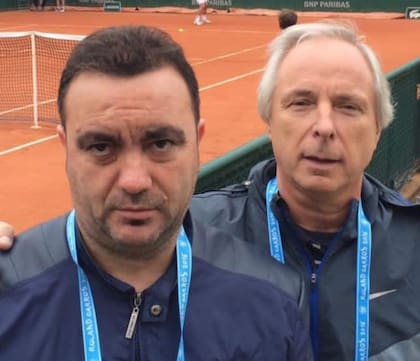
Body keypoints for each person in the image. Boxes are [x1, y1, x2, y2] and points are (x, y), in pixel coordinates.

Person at [0, 25, 311, 361]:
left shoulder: (276, 300)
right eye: (101, 146)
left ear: (196, 141)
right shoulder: (6, 291)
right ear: (66, 148)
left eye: (161, 144)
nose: (134, 181)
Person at [190, 21, 420, 361]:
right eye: (301, 103)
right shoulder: (191, 237)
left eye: (348, 106)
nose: (324, 127)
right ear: (269, 121)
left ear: (377, 130)